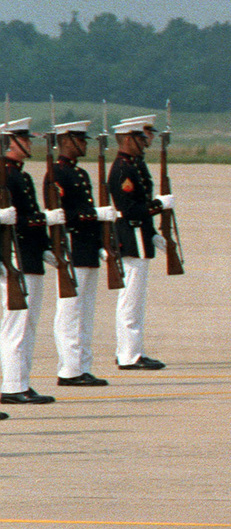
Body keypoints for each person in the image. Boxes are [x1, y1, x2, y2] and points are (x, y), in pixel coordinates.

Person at [50, 120, 118, 388]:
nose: (85, 144)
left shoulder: (79, 174)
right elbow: (63, 216)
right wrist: (95, 214)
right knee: (70, 312)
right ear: (67, 141)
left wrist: (101, 240)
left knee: (85, 312)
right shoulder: (57, 174)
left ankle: (81, 366)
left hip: (88, 249)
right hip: (73, 248)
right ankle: (68, 369)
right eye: (81, 139)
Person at [0, 118, 58, 405]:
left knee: (28, 324)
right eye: (25, 139)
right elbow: (14, 220)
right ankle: (11, 385)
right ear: (11, 142)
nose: (30, 144)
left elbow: (29, 217)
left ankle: (21, 381)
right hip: (15, 258)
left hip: (30, 256)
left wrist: (47, 246)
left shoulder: (20, 176)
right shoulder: (4, 176)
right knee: (16, 324)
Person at [108, 114, 170, 371]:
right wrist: (158, 205)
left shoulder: (135, 165)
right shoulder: (123, 169)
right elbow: (130, 208)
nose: (148, 139)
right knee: (130, 299)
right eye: (143, 135)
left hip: (140, 236)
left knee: (136, 299)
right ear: (127, 139)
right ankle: (128, 355)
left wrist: (153, 233)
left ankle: (132, 349)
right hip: (130, 236)